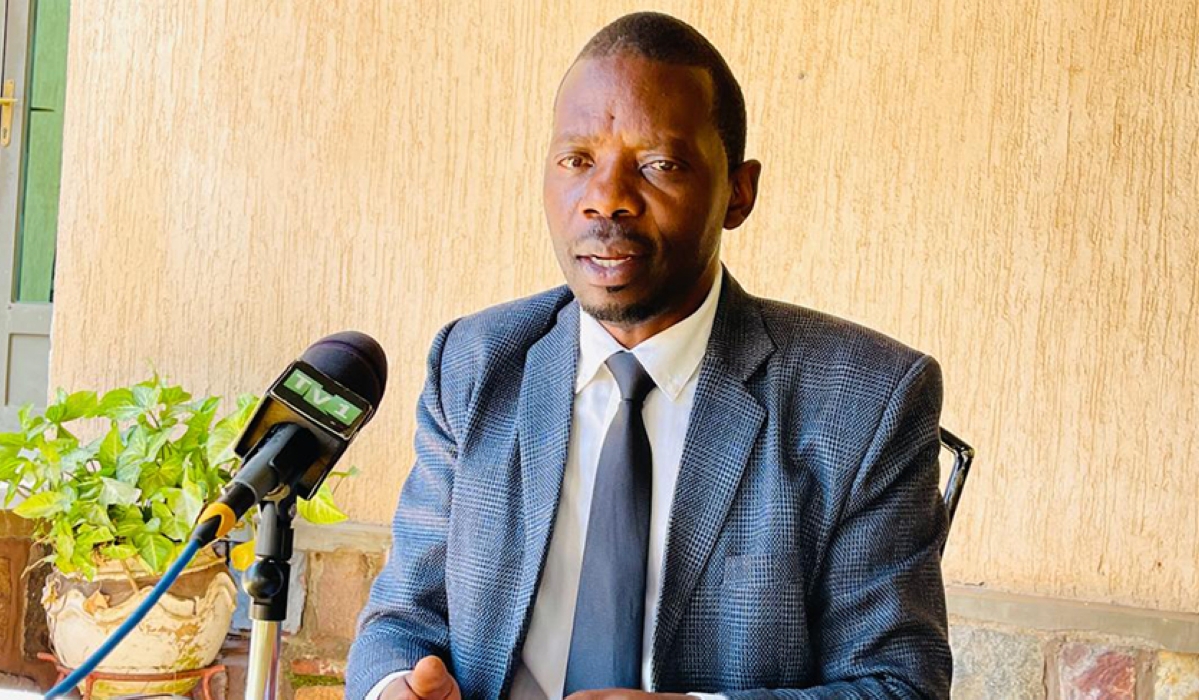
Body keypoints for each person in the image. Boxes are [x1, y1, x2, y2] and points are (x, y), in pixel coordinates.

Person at [347, 11, 951, 700]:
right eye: (577, 161)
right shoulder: (476, 363)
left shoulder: (864, 401)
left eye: (658, 164)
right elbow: (402, 615)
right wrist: (393, 685)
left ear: (738, 192)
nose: (605, 198)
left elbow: (899, 686)